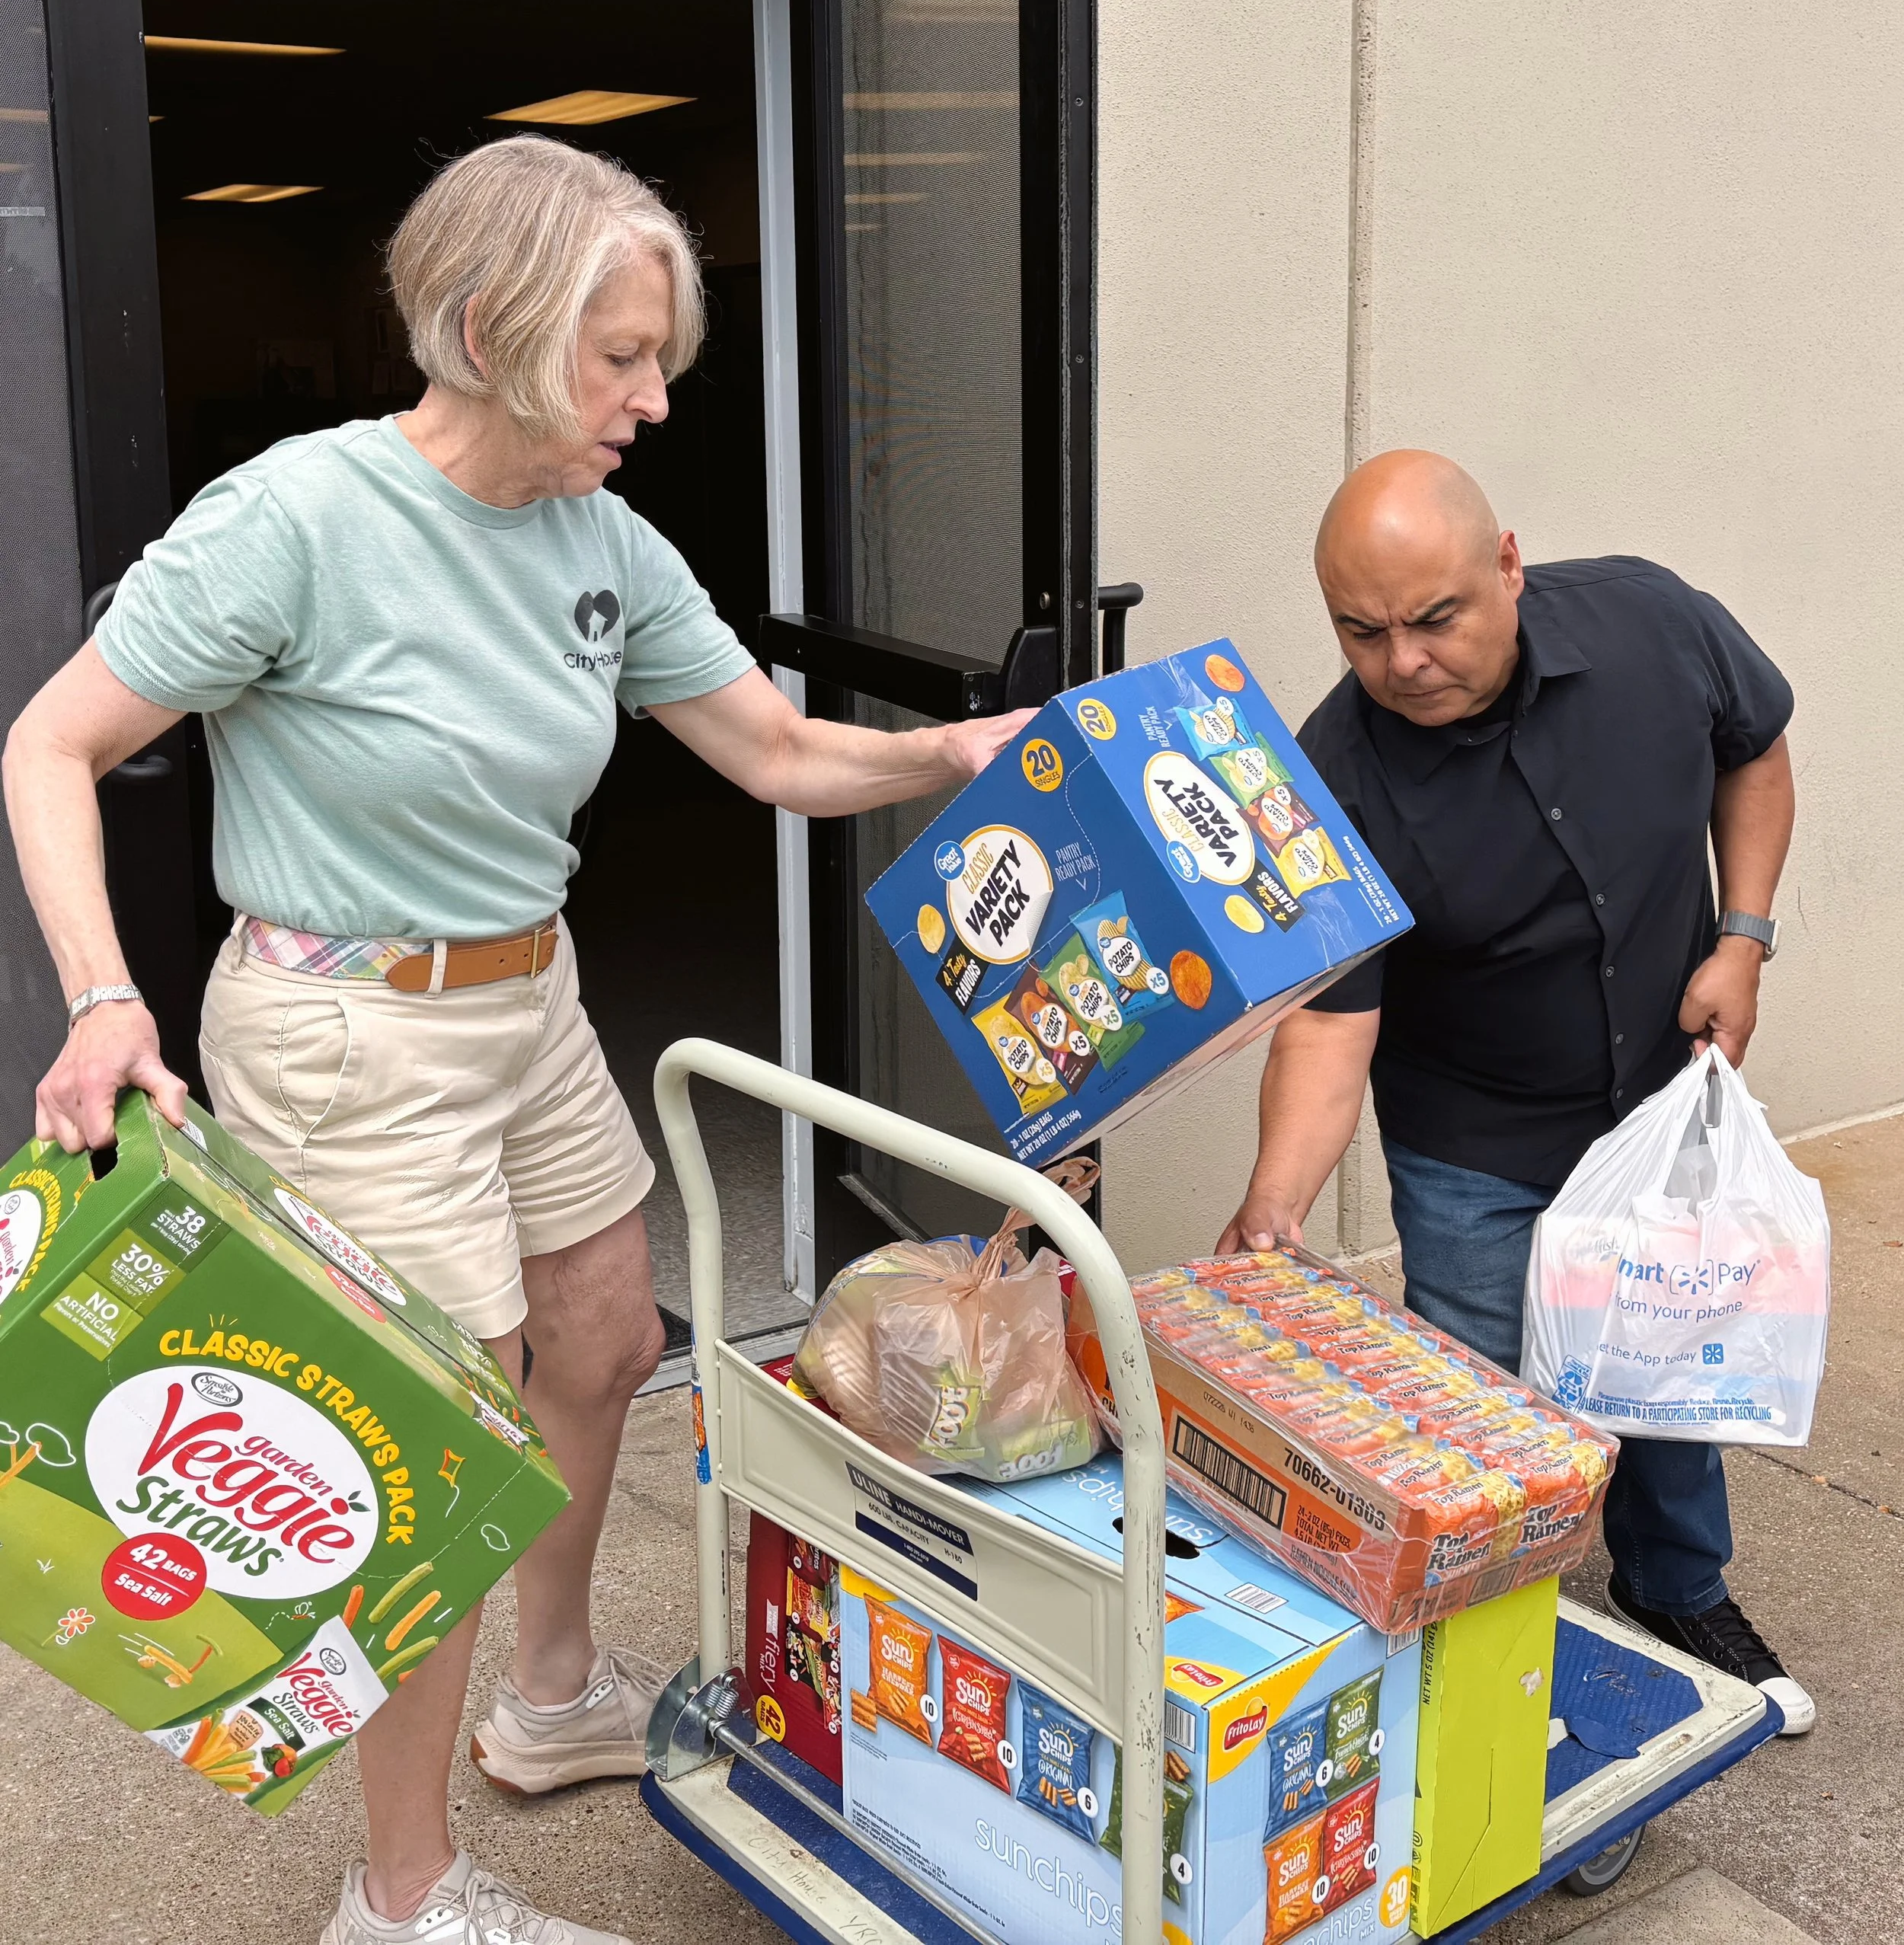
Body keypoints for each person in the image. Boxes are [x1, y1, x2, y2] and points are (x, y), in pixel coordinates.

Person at [2, 136, 1035, 1945]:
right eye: (619, 356)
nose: (653, 396)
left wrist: (945, 757)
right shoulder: (295, 521)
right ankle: (400, 1899)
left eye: (659, 356)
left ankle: (548, 1699)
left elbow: (779, 753)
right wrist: (102, 988)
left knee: (607, 1332)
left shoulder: (601, 541)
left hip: (526, 999)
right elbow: (50, 745)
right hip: (346, 1026)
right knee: (436, 1456)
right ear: (483, 328)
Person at [1219, 449, 1813, 1735]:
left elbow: (1753, 752)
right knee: (1482, 1429)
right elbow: (1329, 1029)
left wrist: (1743, 938)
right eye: (1363, 632)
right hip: (1476, 1144)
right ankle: (1492, 1665)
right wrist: (1272, 1212)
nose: (1404, 662)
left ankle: (1675, 1586)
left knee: (1661, 1357)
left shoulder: (1657, 623)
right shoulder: (1330, 781)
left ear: (1508, 566)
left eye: (1436, 619)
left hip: (1663, 1105)